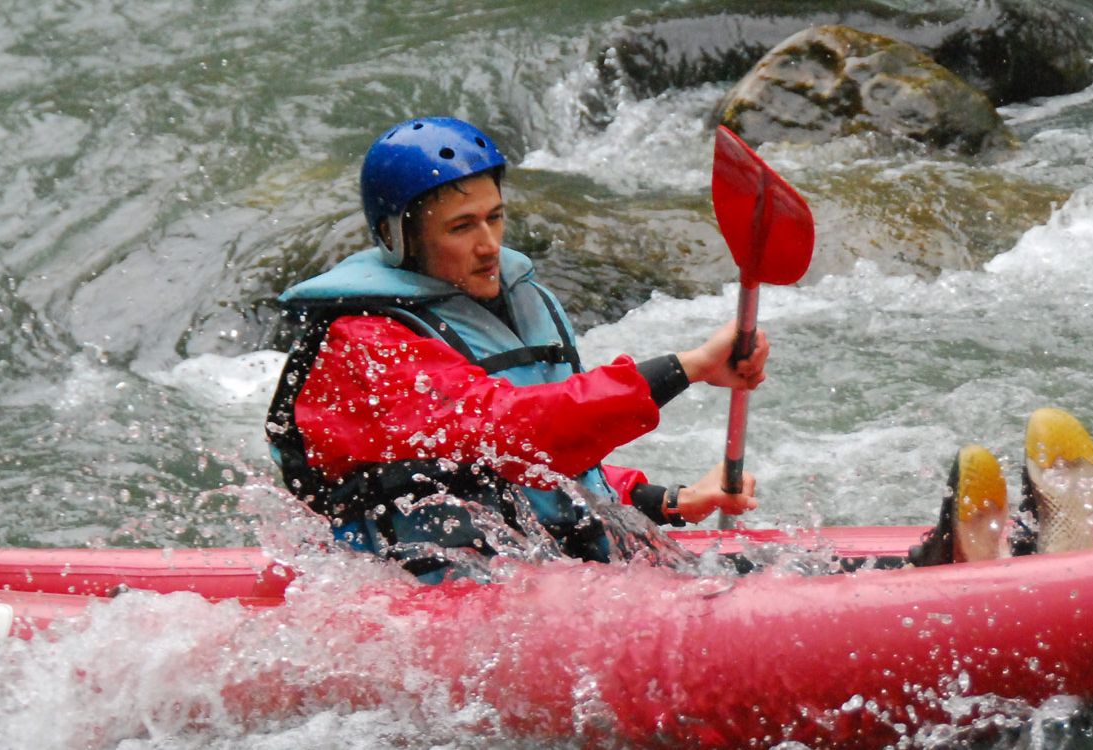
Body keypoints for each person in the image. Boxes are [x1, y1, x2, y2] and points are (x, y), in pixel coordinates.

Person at [264, 117, 767, 581]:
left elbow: (544, 475)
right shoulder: (366, 341)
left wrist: (668, 501)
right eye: (462, 227)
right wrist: (686, 368)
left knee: (767, 575)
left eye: (495, 217)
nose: (489, 245)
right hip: (430, 595)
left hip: (535, 571)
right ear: (397, 238)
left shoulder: (517, 302)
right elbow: (509, 432)